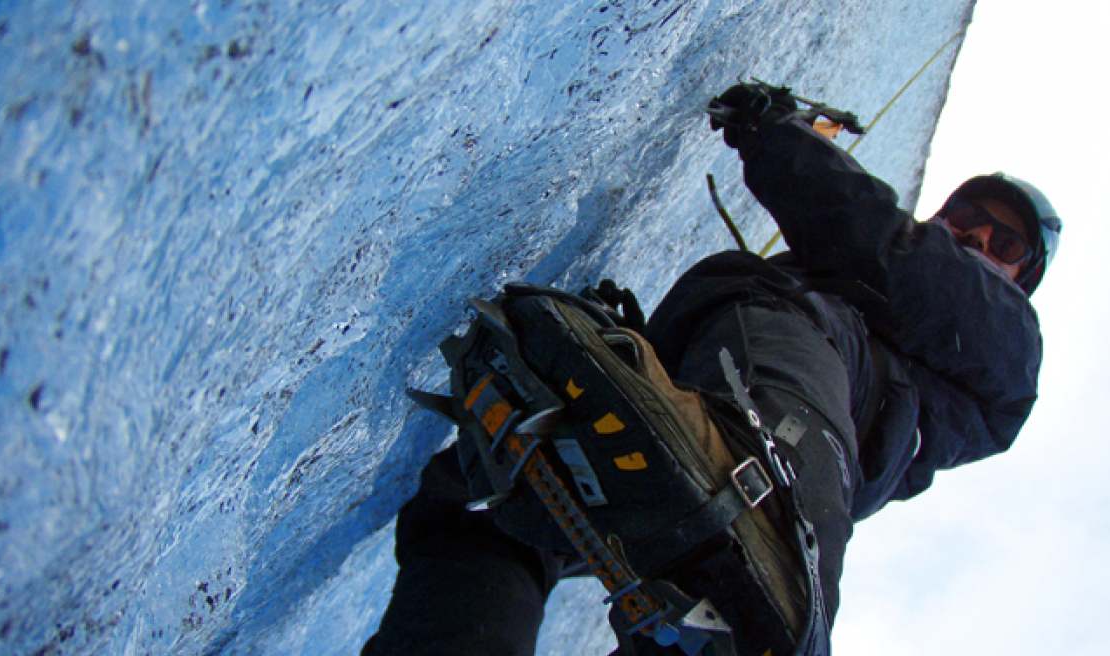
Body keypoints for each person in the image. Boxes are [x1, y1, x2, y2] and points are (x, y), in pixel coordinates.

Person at [361, 82, 1061, 656]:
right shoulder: (859, 297)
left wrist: (776, 133)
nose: (977, 234)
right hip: (737, 401)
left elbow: (890, 254)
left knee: (782, 315)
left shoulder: (1006, 344)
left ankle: (764, 513)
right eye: (967, 214)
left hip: (797, 427)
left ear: (1018, 282)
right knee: (484, 505)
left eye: (1006, 244)